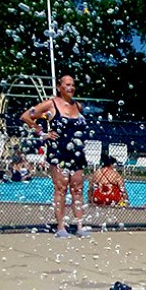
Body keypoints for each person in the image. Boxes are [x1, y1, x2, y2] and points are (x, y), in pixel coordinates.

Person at [20, 74, 90, 238]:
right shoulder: (50, 104)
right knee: (61, 189)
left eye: (72, 85)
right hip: (58, 153)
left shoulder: (77, 107)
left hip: (77, 153)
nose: (70, 88)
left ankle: (79, 226)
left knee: (78, 189)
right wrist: (42, 133)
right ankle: (61, 227)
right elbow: (26, 116)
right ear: (59, 87)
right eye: (67, 84)